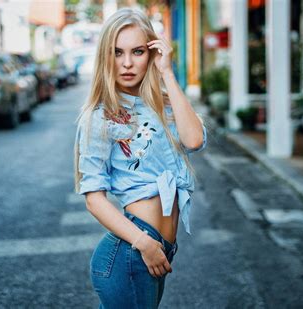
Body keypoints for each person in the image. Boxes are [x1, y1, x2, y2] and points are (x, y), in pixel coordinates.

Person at [74, 8, 207, 308]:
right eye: (117, 52)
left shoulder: (164, 105)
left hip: (156, 249)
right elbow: (94, 199)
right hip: (133, 251)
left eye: (137, 51)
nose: (127, 63)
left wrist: (168, 74)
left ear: (150, 53)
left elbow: (194, 140)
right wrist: (145, 243)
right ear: (105, 56)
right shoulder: (100, 116)